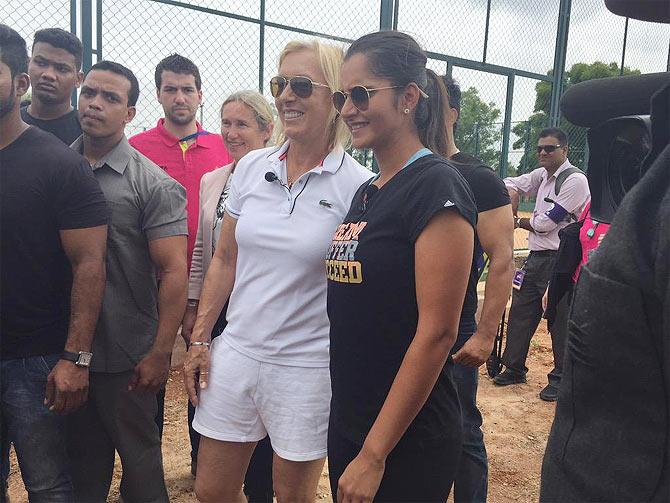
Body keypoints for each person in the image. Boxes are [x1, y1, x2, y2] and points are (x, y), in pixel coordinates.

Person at [183, 40, 370, 502]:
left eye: (302, 85)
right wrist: (201, 338)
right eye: (280, 83)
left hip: (307, 366)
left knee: (291, 498)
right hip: (238, 353)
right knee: (211, 491)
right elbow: (224, 258)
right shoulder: (250, 168)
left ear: (337, 99)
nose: (287, 95)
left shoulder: (358, 188)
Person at [327, 31, 478, 501]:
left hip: (404, 438)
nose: (348, 108)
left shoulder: (436, 189)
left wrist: (375, 454)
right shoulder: (368, 190)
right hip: (353, 419)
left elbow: (437, 333)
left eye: (361, 94)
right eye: (341, 96)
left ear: (409, 97)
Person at [66, 60, 188, 503]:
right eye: (90, 93)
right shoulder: (57, 167)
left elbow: (175, 271)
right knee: (81, 465)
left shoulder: (153, 185)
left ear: (131, 113)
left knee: (140, 467)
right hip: (62, 351)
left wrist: (158, 352)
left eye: (111, 98)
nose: (95, 103)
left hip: (125, 354)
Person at [0, 25, 108, 502]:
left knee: (47, 485)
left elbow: (90, 263)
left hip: (35, 359)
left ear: (18, 84)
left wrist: (75, 358)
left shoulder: (59, 165)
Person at [184, 90, 275, 501]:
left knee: (258, 413)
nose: (231, 132)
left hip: (259, 311)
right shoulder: (212, 179)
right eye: (226, 122)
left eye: (242, 124)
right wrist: (194, 305)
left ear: (267, 130)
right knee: (207, 399)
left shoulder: (277, 180)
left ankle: (258, 489)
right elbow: (206, 250)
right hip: (216, 308)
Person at [442, 75, 515, 503]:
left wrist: (486, 334)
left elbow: (502, 258)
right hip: (399, 324)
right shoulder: (394, 173)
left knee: (462, 426)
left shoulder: (477, 176)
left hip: (455, 323)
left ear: (451, 113)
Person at [494, 128, 589, 399]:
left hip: (561, 259)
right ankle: (513, 367)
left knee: (558, 318)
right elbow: (508, 182)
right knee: (521, 310)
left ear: (565, 150)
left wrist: (516, 222)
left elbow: (546, 224)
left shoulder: (574, 181)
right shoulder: (542, 175)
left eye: (550, 148)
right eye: (539, 149)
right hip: (535, 258)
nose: (543, 153)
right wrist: (512, 202)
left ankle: (561, 378)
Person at [21, 28, 83, 144]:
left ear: (78, 79)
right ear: (28, 64)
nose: (48, 75)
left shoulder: (87, 132)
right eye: (41, 63)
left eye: (62, 69)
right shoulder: (7, 122)